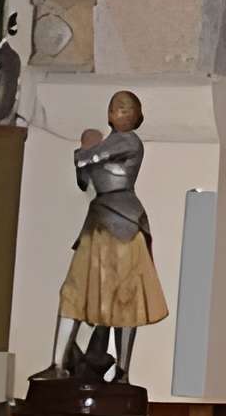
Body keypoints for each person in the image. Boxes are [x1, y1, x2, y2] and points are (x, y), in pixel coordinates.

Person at [56, 89, 166, 381]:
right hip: (98, 220)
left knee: (127, 297)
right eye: (116, 106)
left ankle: (123, 371)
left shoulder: (128, 141)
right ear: (108, 114)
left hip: (125, 219)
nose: (121, 110)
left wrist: (85, 146)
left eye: (128, 107)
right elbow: (84, 179)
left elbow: (88, 159)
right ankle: (58, 364)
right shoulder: (108, 143)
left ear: (137, 116)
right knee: (76, 290)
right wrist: (86, 151)